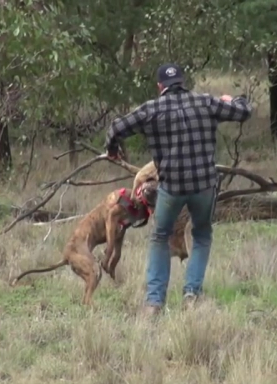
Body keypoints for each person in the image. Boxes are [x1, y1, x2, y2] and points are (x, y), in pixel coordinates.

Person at [103, 62, 252, 317]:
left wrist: (112, 150)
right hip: (204, 185)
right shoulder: (205, 102)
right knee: (202, 234)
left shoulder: (151, 109)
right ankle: (192, 294)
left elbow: (116, 128)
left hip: (171, 187)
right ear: (182, 82)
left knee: (160, 236)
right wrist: (233, 99)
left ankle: (153, 303)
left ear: (160, 86)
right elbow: (244, 111)